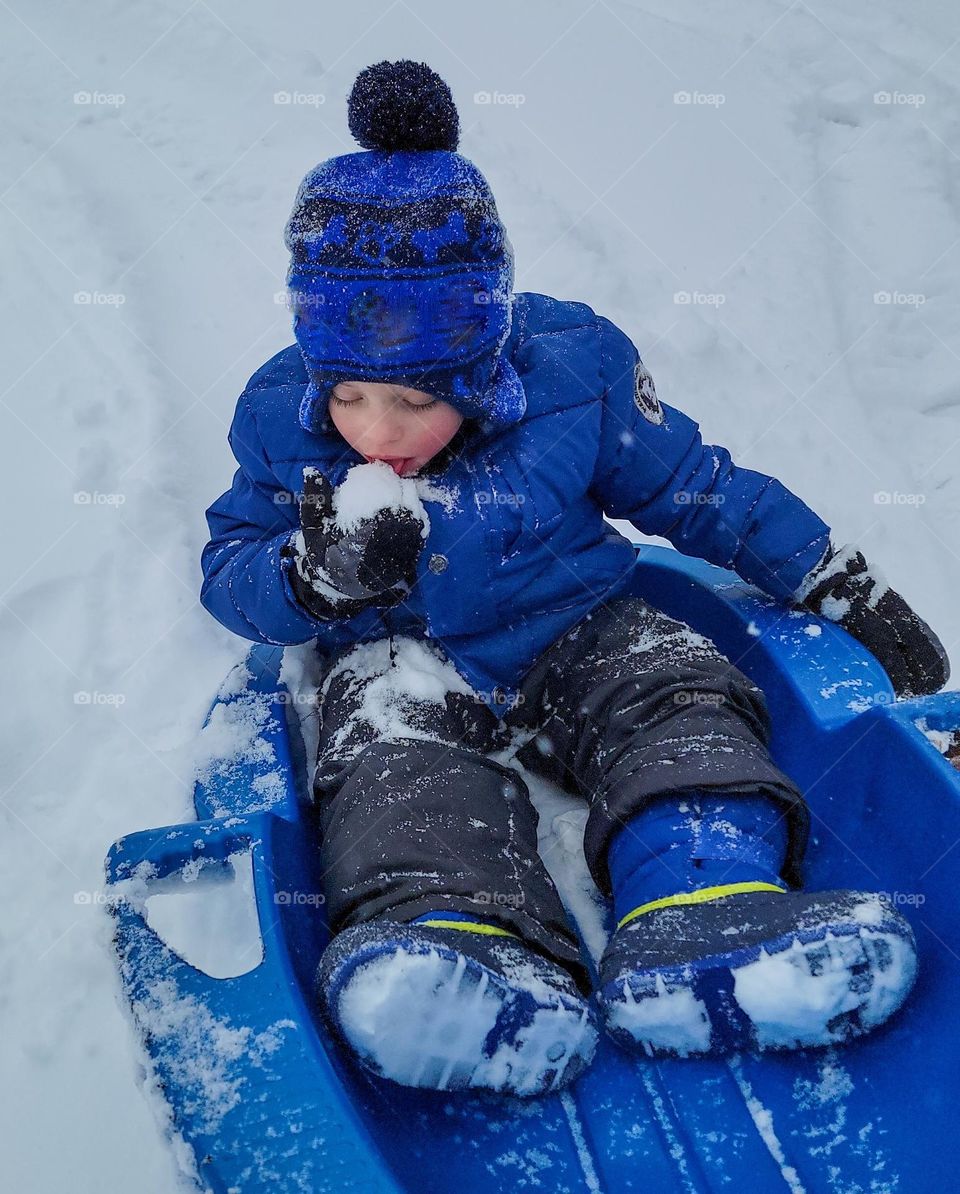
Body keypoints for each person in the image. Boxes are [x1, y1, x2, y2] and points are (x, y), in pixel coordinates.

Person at [199, 60, 949, 1097]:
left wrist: (830, 576)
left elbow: (693, 487)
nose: (377, 432)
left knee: (677, 692)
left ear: (480, 365)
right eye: (351, 396)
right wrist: (312, 581)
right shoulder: (278, 414)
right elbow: (229, 565)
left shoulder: (574, 369)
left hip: (575, 625)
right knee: (393, 767)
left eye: (416, 400)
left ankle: (701, 904)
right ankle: (456, 950)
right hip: (402, 657)